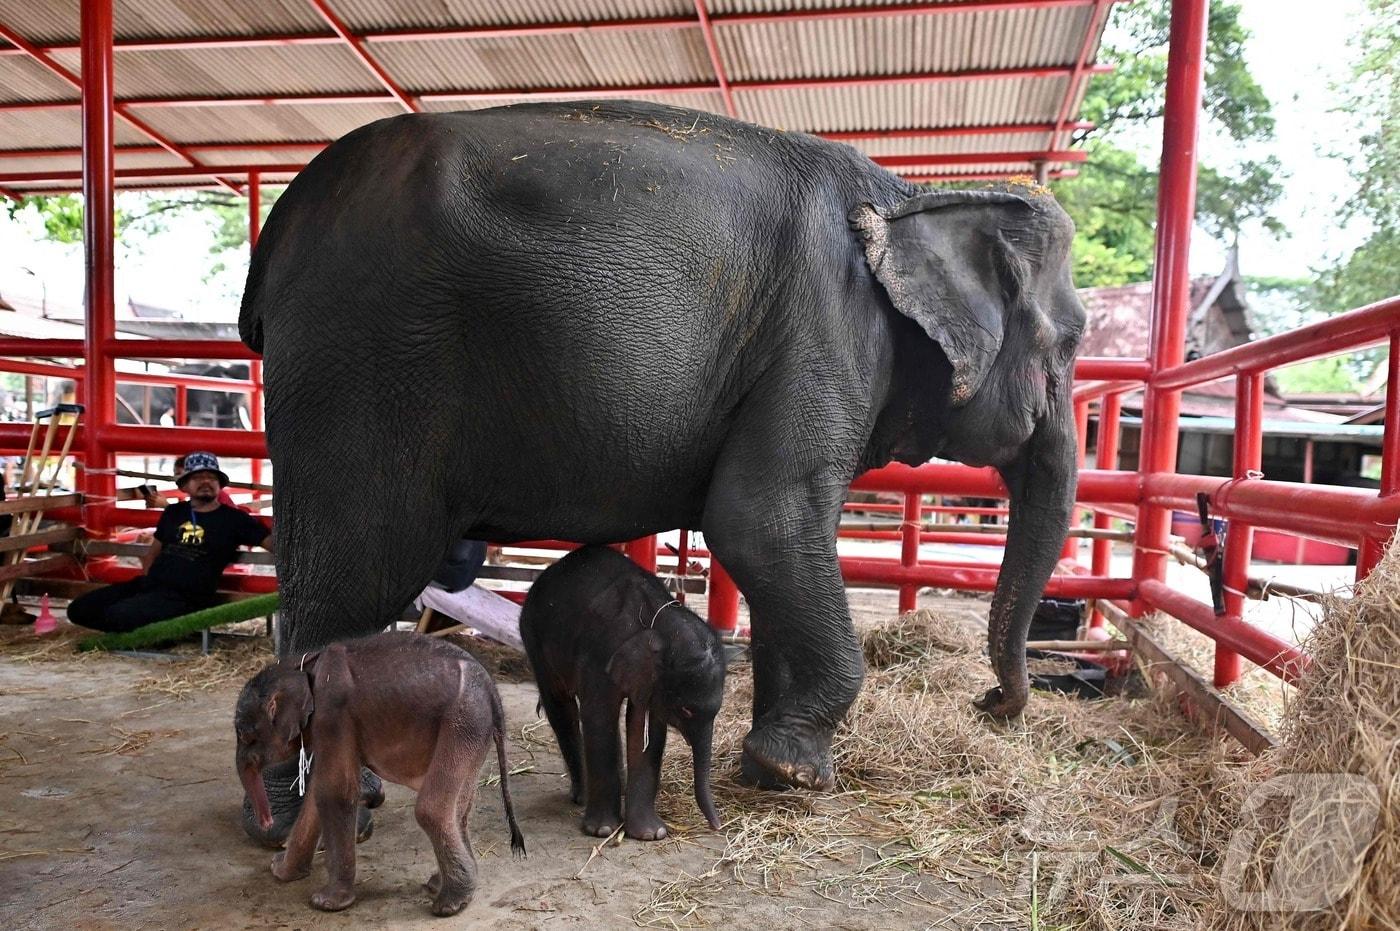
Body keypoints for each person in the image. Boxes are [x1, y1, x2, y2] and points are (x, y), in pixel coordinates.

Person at [67, 452, 273, 634]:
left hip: (187, 596)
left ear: (220, 485)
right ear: (185, 485)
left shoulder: (235, 519)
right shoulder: (174, 512)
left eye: (212, 477)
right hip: (151, 586)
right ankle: (154, 630)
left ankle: (160, 631)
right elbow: (152, 553)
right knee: (78, 609)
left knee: (118, 615)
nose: (206, 482)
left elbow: (271, 543)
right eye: (198, 477)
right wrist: (150, 582)